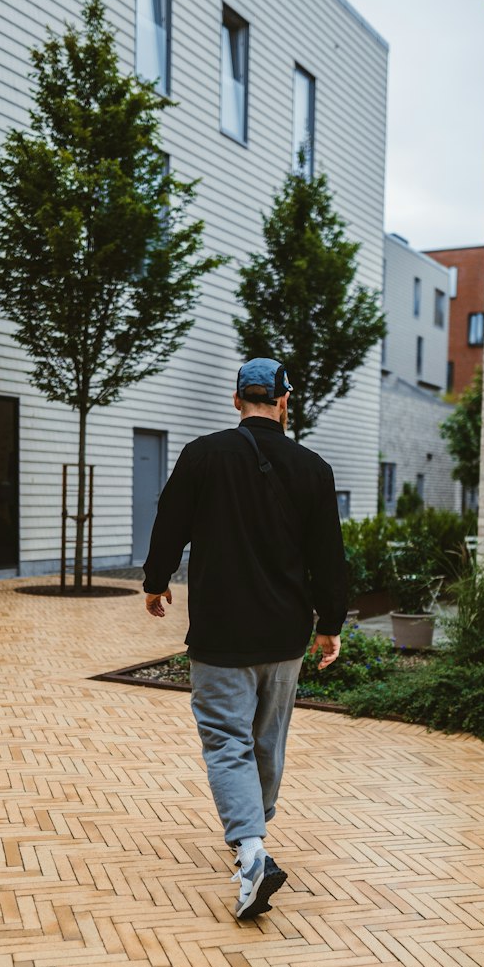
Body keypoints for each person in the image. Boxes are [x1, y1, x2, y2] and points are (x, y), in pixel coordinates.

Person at [142, 358, 347, 920]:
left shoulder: (203, 455)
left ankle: (252, 850)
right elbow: (330, 554)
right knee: (266, 739)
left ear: (236, 401)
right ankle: (253, 831)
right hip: (284, 634)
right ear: (284, 402)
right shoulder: (313, 468)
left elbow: (169, 524)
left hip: (221, 630)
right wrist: (330, 623)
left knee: (226, 740)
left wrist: (155, 583)